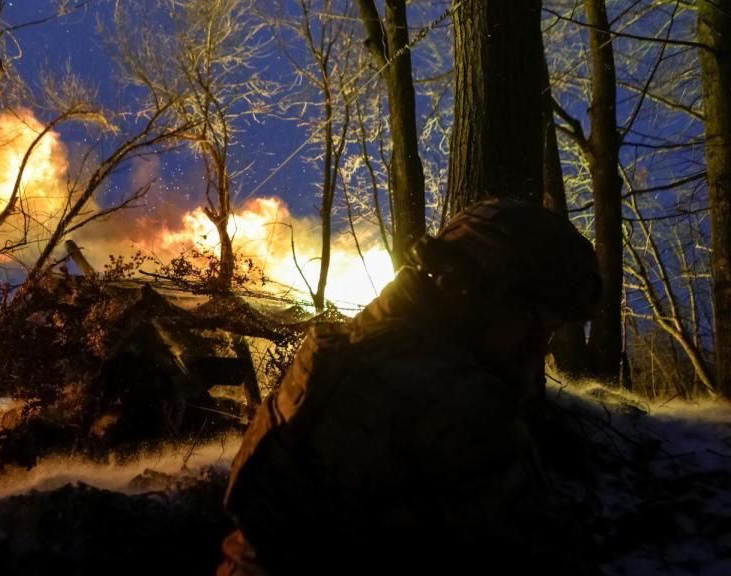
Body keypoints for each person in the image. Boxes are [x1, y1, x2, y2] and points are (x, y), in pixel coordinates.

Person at [218, 198, 601, 575]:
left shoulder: (345, 349)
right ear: (480, 295)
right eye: (540, 325)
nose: (540, 348)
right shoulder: (460, 404)